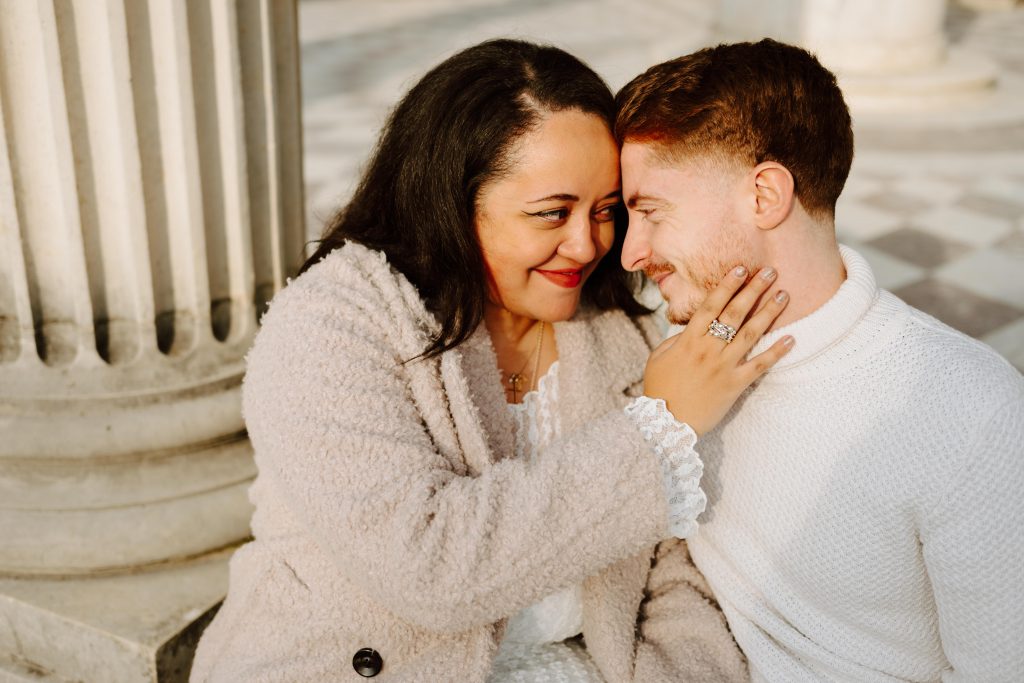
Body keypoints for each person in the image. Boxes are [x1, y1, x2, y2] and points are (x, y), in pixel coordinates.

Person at [189, 39, 793, 682]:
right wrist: (657, 429)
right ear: (453, 204)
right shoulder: (332, 325)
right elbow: (432, 571)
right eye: (551, 213)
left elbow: (678, 568)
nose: (587, 244)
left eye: (606, 211)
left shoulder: (624, 329)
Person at [615, 38, 1024, 683]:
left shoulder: (967, 411)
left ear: (764, 196)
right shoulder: (673, 356)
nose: (630, 254)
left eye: (650, 211)